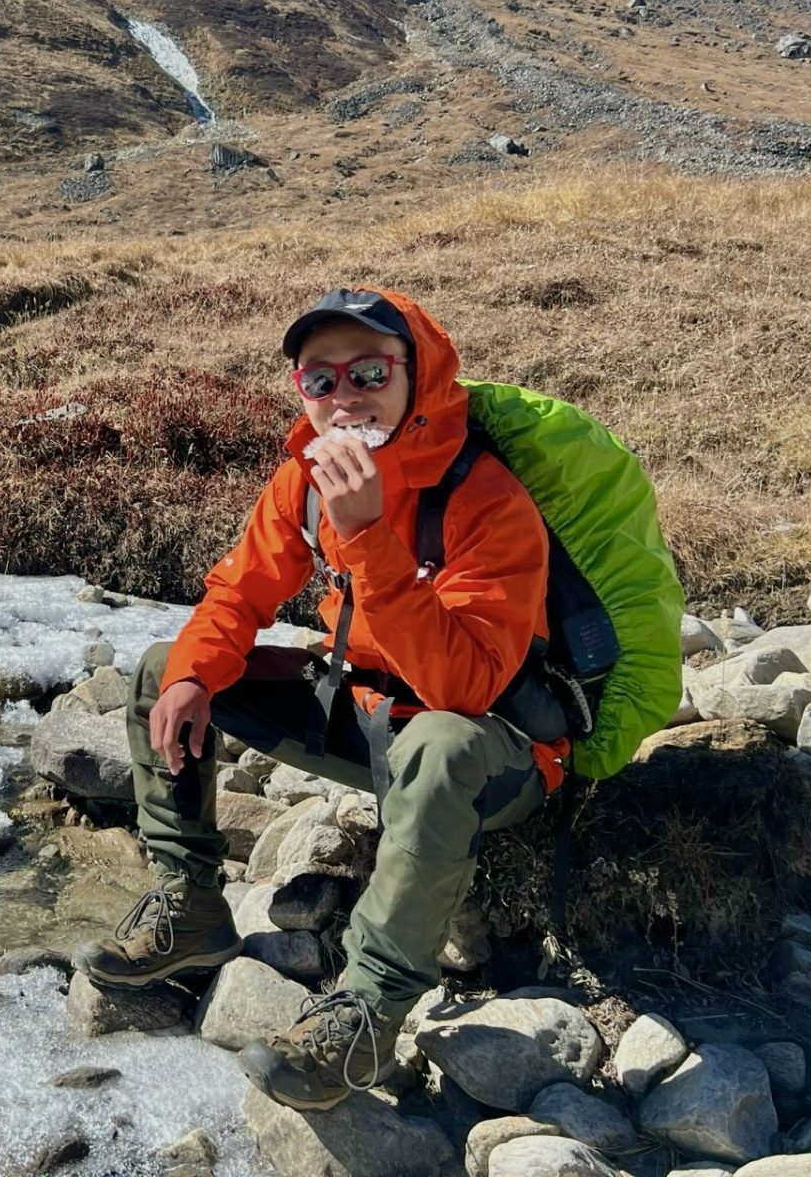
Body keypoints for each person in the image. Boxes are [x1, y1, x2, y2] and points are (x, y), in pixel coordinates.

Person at [73, 286, 565, 1111]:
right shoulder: (304, 478)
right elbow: (239, 591)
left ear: (419, 376)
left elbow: (465, 687)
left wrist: (370, 536)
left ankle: (369, 1013)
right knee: (169, 666)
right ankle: (190, 903)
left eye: (370, 371)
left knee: (438, 743)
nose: (345, 396)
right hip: (369, 714)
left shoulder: (485, 501)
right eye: (321, 380)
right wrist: (195, 673)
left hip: (491, 755)